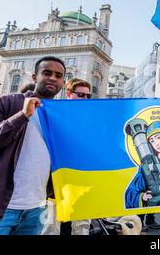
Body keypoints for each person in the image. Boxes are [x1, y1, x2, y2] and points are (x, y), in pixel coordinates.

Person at [0, 56, 65, 235]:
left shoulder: (61, 118)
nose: (53, 78)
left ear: (63, 81)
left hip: (36, 211)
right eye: (47, 73)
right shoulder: (6, 102)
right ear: (34, 77)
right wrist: (21, 116)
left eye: (58, 75)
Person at [42, 78, 93, 235]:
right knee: (51, 225)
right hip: (56, 179)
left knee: (82, 224)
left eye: (88, 96)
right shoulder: (53, 114)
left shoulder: (92, 118)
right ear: (69, 94)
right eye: (81, 95)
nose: (85, 99)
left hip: (84, 178)